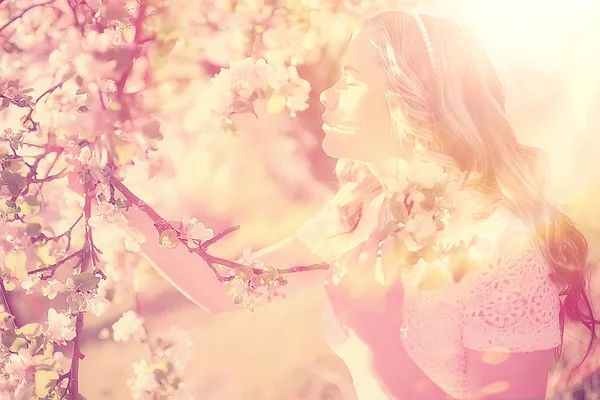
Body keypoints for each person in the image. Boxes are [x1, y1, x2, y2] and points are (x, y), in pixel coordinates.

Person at [128, 10, 598, 400]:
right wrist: (107, 190)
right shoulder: (362, 209)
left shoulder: (502, 249)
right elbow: (224, 287)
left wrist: (382, 344)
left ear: (408, 99)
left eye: (351, 81)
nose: (326, 97)